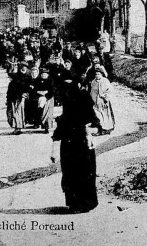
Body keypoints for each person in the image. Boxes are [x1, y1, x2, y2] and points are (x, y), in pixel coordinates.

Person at [50, 78, 100, 213]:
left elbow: (98, 126)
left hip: (81, 147)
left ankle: (82, 203)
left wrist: (90, 130)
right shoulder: (67, 113)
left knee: (80, 175)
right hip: (74, 147)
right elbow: (58, 133)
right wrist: (54, 150)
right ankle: (78, 204)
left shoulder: (84, 112)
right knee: (75, 175)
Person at [87, 66, 115, 135]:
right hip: (95, 102)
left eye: (98, 74)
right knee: (97, 115)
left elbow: (110, 90)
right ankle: (99, 129)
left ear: (102, 74)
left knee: (105, 116)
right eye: (96, 74)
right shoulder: (93, 82)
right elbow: (92, 92)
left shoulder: (105, 81)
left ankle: (106, 129)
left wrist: (105, 97)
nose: (97, 75)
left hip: (103, 102)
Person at [6, 63, 31, 135]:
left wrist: (22, 96)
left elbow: (24, 90)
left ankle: (18, 128)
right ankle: (17, 127)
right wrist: (7, 100)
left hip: (18, 99)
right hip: (12, 100)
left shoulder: (19, 82)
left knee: (17, 113)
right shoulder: (11, 84)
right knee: (12, 114)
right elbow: (9, 92)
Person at [33, 68, 56, 134]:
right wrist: (38, 92)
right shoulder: (37, 80)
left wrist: (46, 94)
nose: (43, 75)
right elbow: (34, 89)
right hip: (39, 98)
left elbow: (53, 90)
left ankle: (46, 128)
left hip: (49, 98)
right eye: (42, 74)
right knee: (40, 112)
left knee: (48, 114)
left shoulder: (51, 81)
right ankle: (39, 124)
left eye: (45, 74)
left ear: (48, 75)